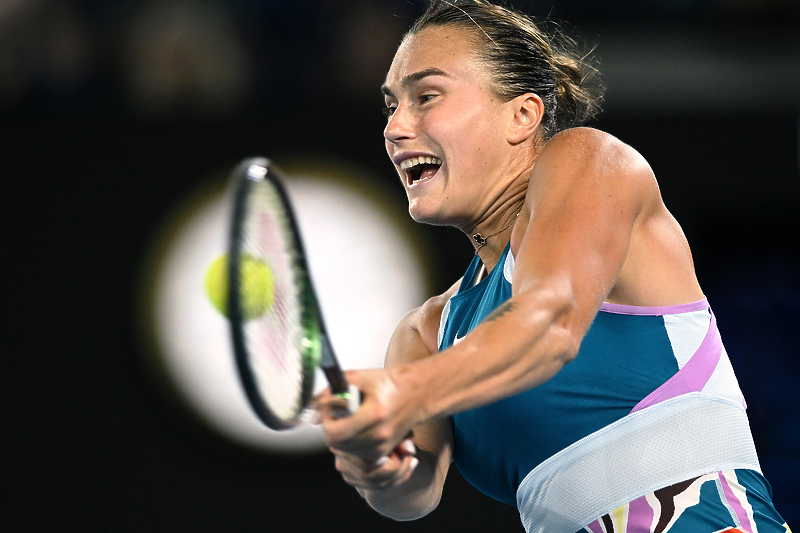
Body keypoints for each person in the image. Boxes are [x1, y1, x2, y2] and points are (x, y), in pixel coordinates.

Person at [314, 1, 791, 531]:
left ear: (523, 114)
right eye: (390, 107)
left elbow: (550, 324)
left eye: (427, 97)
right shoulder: (425, 334)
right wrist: (378, 463)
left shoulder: (592, 161)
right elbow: (413, 494)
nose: (396, 127)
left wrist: (404, 394)